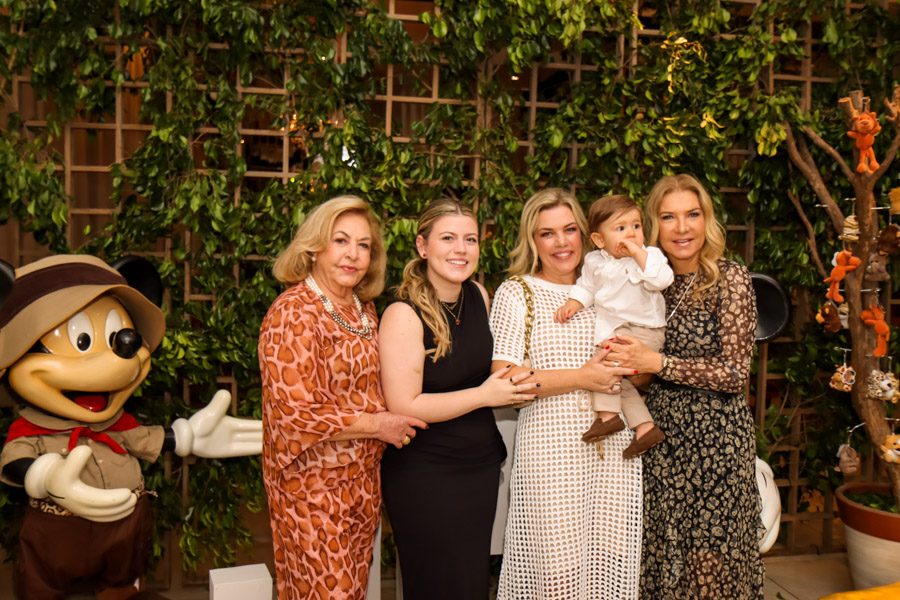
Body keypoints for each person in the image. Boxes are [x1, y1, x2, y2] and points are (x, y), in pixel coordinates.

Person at [258, 195, 427, 600]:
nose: (353, 254)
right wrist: (378, 424)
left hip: (362, 484)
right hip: (311, 488)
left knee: (351, 592)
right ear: (314, 247)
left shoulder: (362, 308)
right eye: (341, 241)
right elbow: (294, 412)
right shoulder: (293, 312)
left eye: (363, 245)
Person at [606, 174, 764, 598]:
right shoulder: (642, 282)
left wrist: (658, 363)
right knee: (659, 559)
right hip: (661, 437)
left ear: (706, 220)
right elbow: (639, 367)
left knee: (708, 566)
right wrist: (630, 366)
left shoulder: (730, 278)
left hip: (717, 441)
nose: (682, 228)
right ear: (653, 225)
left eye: (692, 215)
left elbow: (735, 374)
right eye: (668, 217)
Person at [379, 198, 537, 600]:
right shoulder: (402, 314)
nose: (461, 249)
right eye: (448, 238)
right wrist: (484, 395)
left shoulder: (479, 295)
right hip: (425, 473)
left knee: (469, 585)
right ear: (422, 246)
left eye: (470, 239)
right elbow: (404, 405)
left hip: (479, 468)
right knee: (436, 586)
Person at [490, 188, 641, 599]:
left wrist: (638, 365)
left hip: (615, 453)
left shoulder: (611, 285)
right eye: (547, 233)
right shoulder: (517, 292)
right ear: (532, 240)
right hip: (552, 456)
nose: (561, 242)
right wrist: (582, 377)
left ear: (587, 235)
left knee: (609, 572)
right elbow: (504, 379)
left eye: (570, 230)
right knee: (557, 578)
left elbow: (639, 365)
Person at [554, 194, 673, 457]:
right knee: (620, 380)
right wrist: (574, 303)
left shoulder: (650, 256)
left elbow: (662, 280)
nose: (631, 233)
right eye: (621, 228)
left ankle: (607, 417)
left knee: (604, 367)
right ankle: (645, 428)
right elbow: (587, 287)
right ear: (599, 240)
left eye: (636, 226)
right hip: (617, 330)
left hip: (645, 330)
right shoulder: (594, 261)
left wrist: (638, 253)